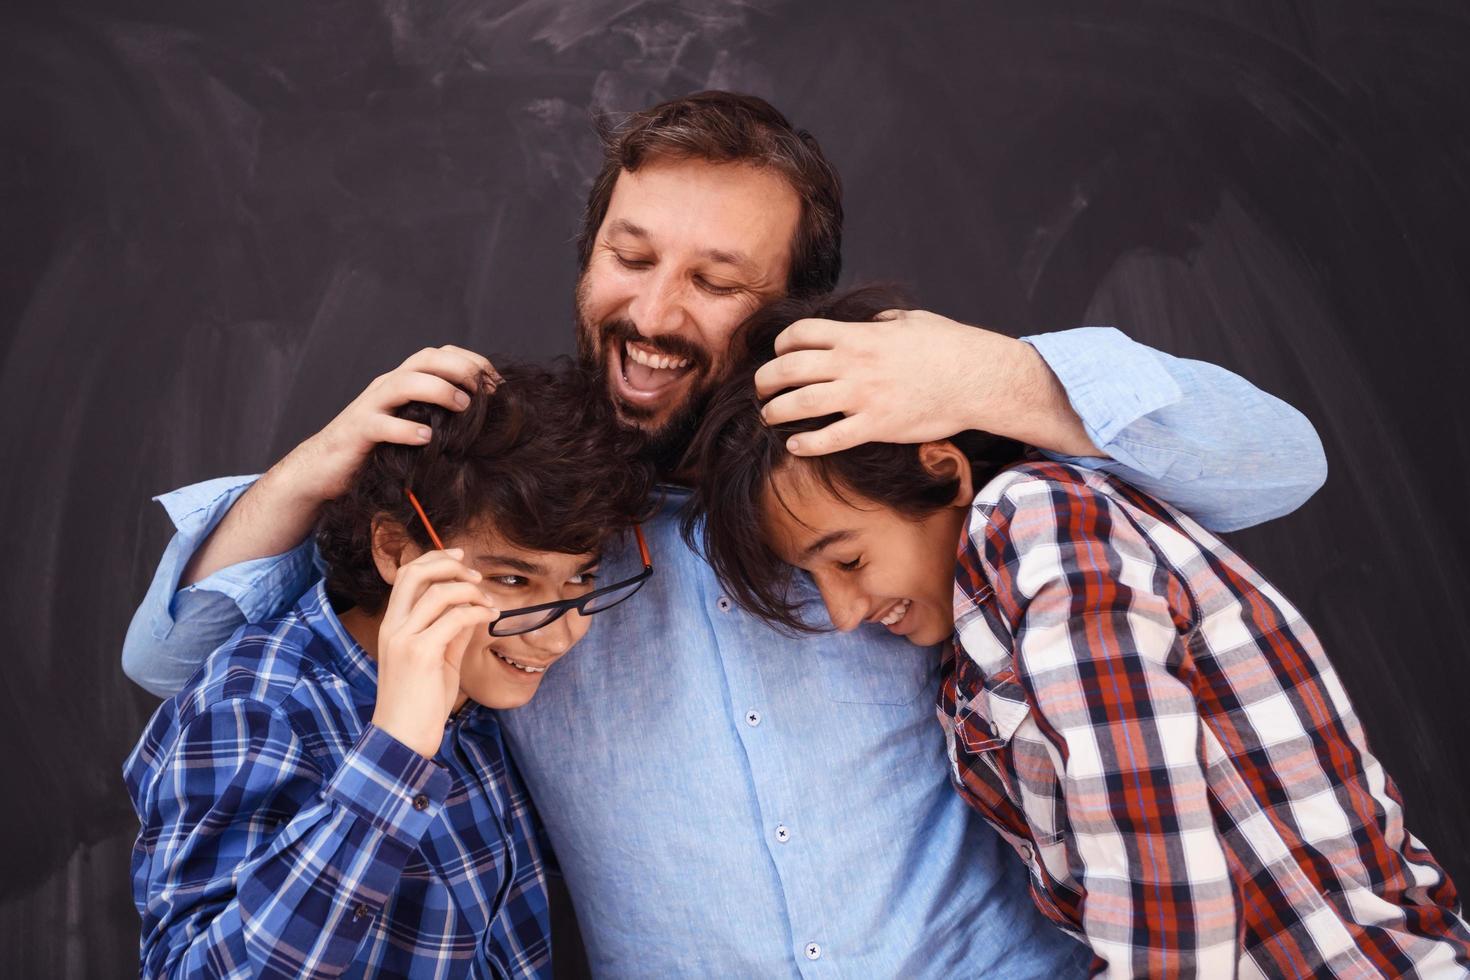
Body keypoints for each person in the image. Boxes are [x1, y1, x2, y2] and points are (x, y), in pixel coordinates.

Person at [122, 92, 1329, 974]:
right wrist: (314, 465)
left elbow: (1281, 462)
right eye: (629, 257)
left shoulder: (894, 456)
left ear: (789, 306)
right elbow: (179, 667)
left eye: (714, 278)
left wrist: (996, 372)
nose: (651, 313)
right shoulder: (516, 505)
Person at [685, 285, 1470, 977]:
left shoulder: (1033, 519)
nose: (848, 613)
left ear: (943, 468)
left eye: (848, 560)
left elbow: (1162, 888)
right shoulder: (972, 649)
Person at [124, 364, 654, 978]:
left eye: (583, 577)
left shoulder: (485, 693)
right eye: (513, 580)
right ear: (396, 550)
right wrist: (394, 753)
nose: (560, 633)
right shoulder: (255, 707)